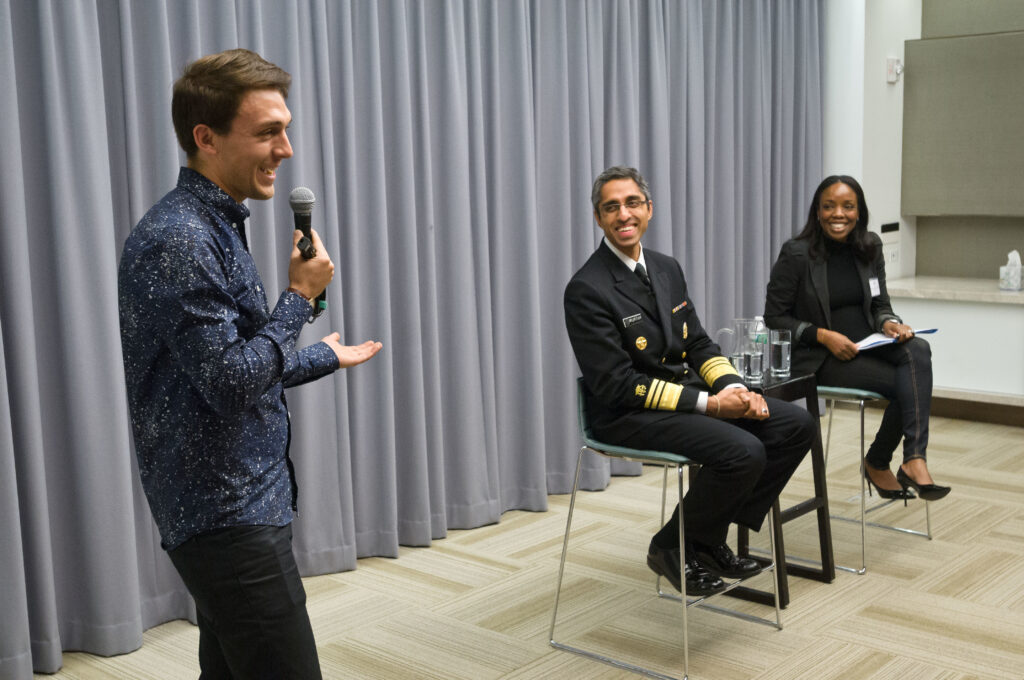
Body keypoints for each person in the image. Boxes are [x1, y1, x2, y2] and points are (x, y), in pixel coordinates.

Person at [118, 48, 382, 678]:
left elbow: (224, 367)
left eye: (285, 129)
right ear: (206, 138)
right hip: (225, 514)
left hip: (242, 503)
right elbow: (232, 383)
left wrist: (319, 354)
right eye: (268, 132)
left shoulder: (214, 222)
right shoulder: (181, 239)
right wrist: (298, 299)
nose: (286, 150)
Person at [564, 166, 815, 596]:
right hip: (627, 412)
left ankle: (704, 537)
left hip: (682, 399)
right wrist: (714, 406)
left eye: (632, 203)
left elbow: (697, 341)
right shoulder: (588, 288)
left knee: (797, 425)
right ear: (598, 218)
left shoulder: (665, 267)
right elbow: (618, 384)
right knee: (744, 450)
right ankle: (672, 545)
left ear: (649, 209)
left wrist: (734, 387)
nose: (623, 215)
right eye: (611, 207)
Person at [764, 175, 949, 502]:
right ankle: (879, 462)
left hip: (869, 343)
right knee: (909, 385)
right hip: (821, 356)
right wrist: (823, 335)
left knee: (918, 350)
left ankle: (913, 458)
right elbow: (774, 317)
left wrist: (890, 322)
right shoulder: (797, 254)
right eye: (829, 206)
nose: (839, 213)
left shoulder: (869, 247)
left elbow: (879, 304)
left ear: (859, 211)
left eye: (848, 206)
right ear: (817, 212)